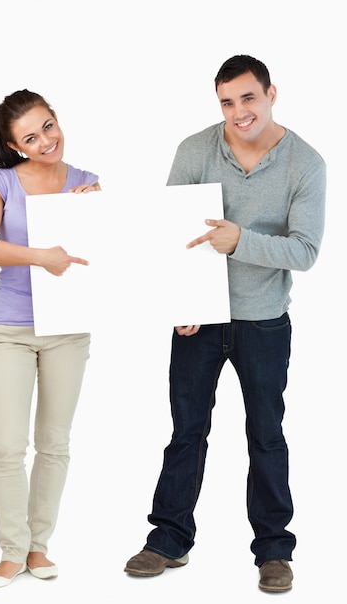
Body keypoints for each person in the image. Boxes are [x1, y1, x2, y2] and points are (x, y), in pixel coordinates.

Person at [124, 55, 326, 592]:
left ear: (271, 94)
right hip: (199, 318)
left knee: (266, 434)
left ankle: (274, 551)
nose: (239, 112)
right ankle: (168, 539)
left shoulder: (305, 163)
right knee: (186, 431)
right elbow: (168, 233)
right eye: (227, 102)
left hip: (263, 321)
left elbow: (305, 252)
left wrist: (241, 240)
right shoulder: (195, 149)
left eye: (248, 98)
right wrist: (178, 301)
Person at [0, 89, 100, 588]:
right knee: (6, 446)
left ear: (56, 119)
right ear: (13, 144)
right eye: (30, 136)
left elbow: (104, 256)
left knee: (53, 443)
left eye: (48, 126)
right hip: (13, 327)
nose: (45, 140)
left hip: (68, 328)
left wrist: (95, 214)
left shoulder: (88, 183)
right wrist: (40, 255)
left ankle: (39, 547)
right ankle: (11, 551)